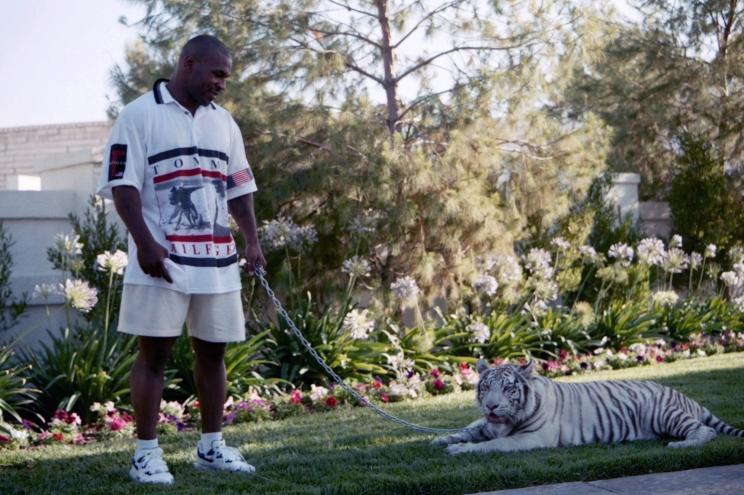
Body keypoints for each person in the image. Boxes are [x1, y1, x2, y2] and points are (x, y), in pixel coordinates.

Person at [97, 34, 266, 485]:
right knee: (154, 354)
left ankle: (211, 447)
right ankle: (145, 454)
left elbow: (239, 188)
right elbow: (123, 188)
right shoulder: (137, 115)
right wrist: (145, 244)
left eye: (225, 76)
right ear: (188, 64)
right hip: (162, 262)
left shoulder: (224, 123)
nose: (222, 84)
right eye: (217, 74)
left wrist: (251, 241)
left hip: (217, 263)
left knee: (213, 354)